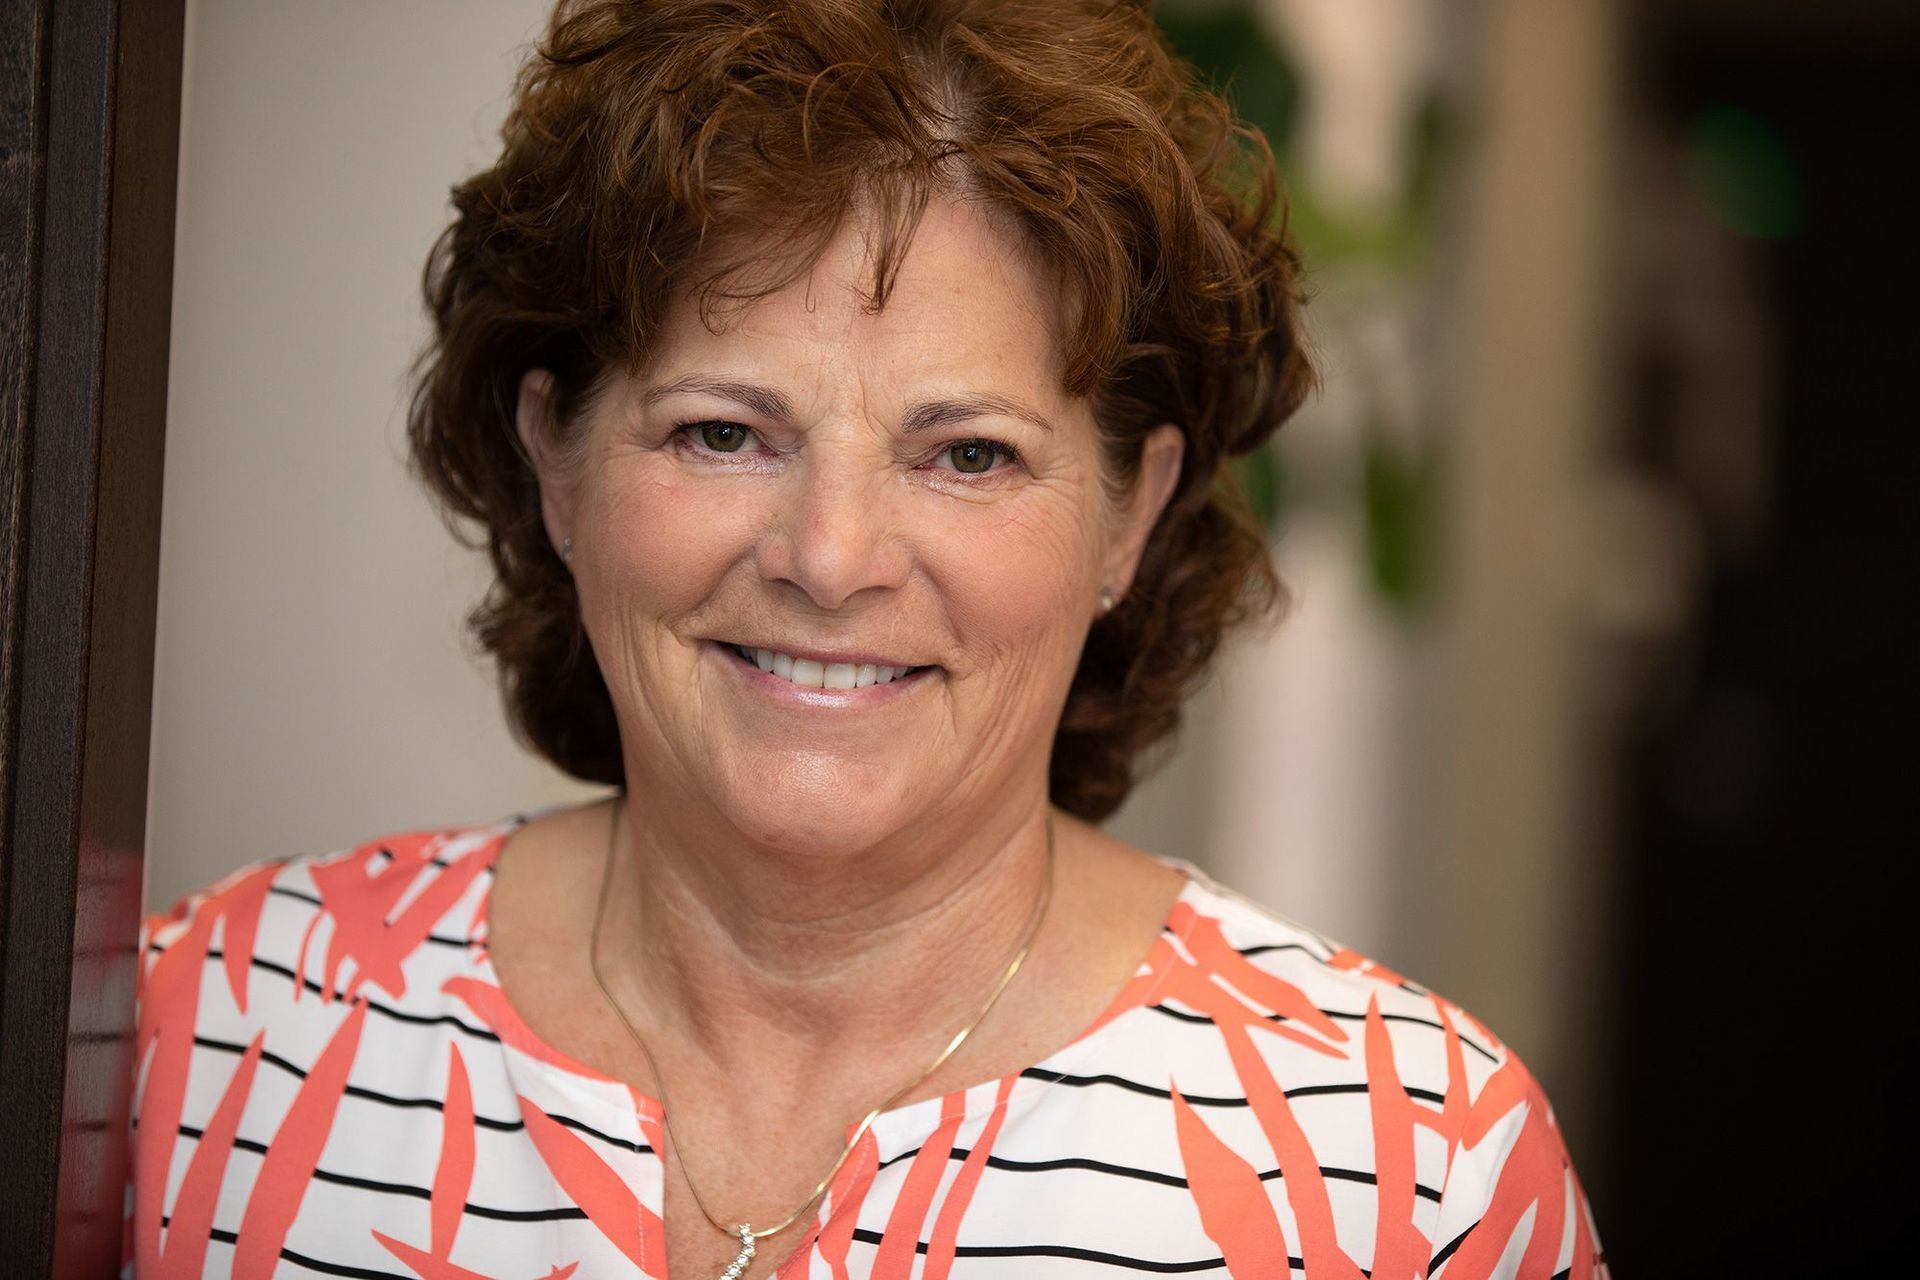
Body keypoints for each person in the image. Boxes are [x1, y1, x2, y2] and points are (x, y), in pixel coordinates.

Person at [126, 1, 1606, 1276]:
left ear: (1127, 515)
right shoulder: (199, 1043)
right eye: (722, 432)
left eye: (967, 455)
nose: (831, 560)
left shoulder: (1405, 1173)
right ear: (556, 464)